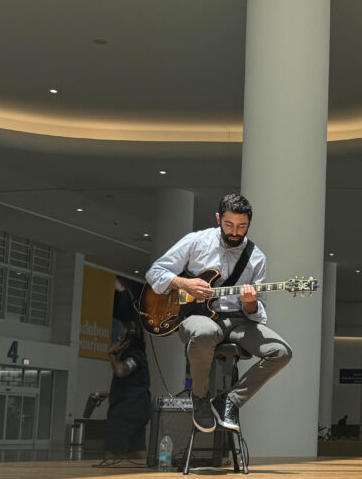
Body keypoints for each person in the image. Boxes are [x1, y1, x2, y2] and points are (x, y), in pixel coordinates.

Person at [146, 193, 292, 432]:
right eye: (229, 225)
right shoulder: (195, 242)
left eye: (242, 226)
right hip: (196, 316)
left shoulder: (256, 258)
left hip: (237, 321)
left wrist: (251, 303)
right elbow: (155, 273)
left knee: (282, 352)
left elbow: (258, 313)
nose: (235, 231)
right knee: (205, 332)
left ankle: (228, 401)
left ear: (249, 223)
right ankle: (200, 398)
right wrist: (184, 284)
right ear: (218, 218)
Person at [102, 322, 152, 459]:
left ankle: (107, 477)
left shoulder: (135, 356)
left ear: (130, 340)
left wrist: (111, 353)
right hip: (136, 409)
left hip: (128, 411)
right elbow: (131, 384)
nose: (118, 339)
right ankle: (148, 476)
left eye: (122, 336)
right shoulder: (135, 356)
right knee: (138, 448)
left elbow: (120, 371)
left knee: (112, 449)